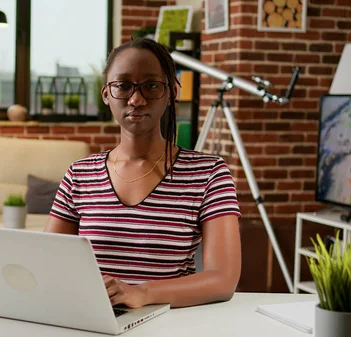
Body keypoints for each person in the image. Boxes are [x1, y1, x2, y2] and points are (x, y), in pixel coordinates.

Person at [45, 38, 242, 309]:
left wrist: (143, 293)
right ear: (106, 94)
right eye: (123, 86)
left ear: (172, 91)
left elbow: (223, 280)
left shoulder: (209, 174)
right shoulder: (80, 174)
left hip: (168, 323)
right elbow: (46, 263)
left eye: (151, 86)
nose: (136, 99)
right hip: (91, 320)